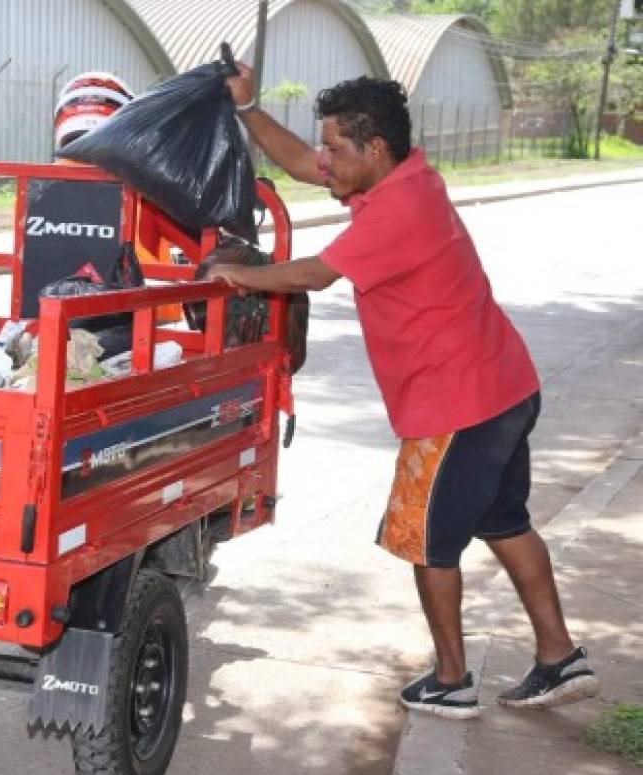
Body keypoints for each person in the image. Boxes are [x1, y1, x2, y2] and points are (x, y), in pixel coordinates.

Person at [210, 67, 600, 719]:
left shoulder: (400, 208)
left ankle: (452, 679)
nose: (323, 160)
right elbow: (303, 164)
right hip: (503, 386)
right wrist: (247, 107)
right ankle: (560, 657)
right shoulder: (403, 177)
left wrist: (239, 276)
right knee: (506, 523)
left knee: (426, 543)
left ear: (375, 150)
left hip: (457, 407)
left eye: (335, 148)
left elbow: (317, 273)